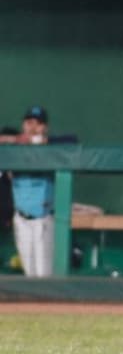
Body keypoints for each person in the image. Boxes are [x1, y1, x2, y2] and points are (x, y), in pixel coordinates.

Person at [0, 107, 57, 277]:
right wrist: (15, 139)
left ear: (44, 127)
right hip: (21, 219)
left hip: (43, 219)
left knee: (43, 274)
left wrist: (42, 141)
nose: (33, 127)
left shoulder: (52, 150)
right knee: (29, 274)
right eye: (29, 122)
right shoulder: (14, 150)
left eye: (38, 124)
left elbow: (73, 140)